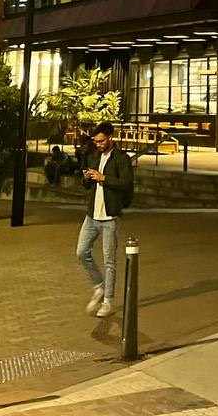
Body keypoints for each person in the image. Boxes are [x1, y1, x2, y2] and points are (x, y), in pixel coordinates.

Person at [78, 122, 135, 318]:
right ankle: (99, 285)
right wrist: (87, 177)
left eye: (101, 141)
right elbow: (87, 186)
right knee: (81, 252)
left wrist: (104, 178)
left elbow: (126, 184)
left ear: (111, 137)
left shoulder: (121, 159)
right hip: (92, 215)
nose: (99, 144)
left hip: (110, 216)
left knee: (109, 261)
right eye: (96, 141)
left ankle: (108, 301)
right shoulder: (95, 156)